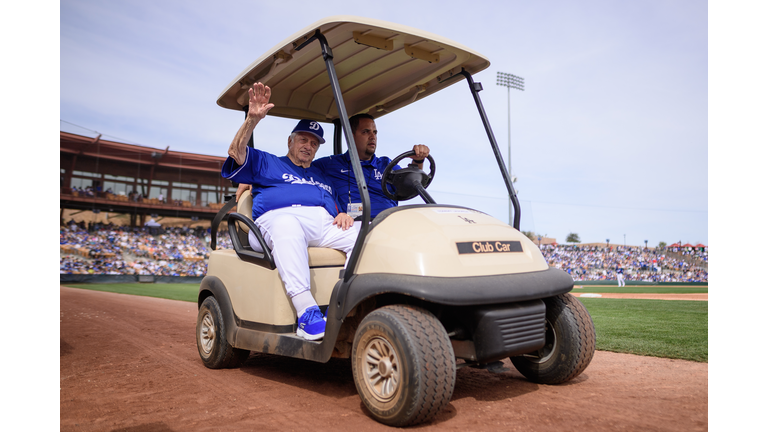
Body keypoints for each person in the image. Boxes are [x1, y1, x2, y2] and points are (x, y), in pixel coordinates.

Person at [222, 82, 358, 341]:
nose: (309, 146)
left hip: (322, 226)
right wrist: (252, 120)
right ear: (290, 141)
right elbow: (236, 153)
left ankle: (342, 301)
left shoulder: (321, 174)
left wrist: (343, 214)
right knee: (287, 223)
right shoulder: (268, 162)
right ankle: (306, 313)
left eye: (315, 143)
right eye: (304, 139)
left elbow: (337, 206)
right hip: (273, 223)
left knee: (365, 234)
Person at [312, 113, 430, 219]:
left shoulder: (386, 165)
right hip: (352, 227)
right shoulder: (328, 165)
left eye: (374, 132)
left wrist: (418, 162)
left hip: (387, 225)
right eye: (365, 132)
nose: (372, 137)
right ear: (350, 136)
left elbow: (411, 186)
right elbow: (300, 169)